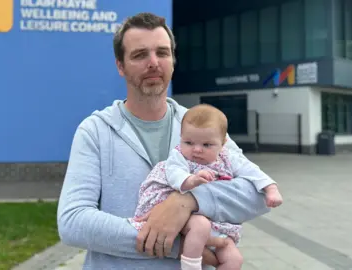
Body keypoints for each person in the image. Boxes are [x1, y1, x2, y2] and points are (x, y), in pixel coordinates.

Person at [57, 12, 272, 269]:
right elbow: (73, 222)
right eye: (139, 55)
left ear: (173, 60)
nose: (153, 63)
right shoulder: (95, 131)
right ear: (120, 66)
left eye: (162, 52)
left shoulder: (201, 125)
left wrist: (188, 200)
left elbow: (258, 193)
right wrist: (183, 246)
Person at [128, 104, 283, 269]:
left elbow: (252, 172)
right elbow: (174, 173)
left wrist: (270, 189)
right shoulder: (179, 155)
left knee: (234, 259)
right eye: (188, 142)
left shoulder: (228, 158)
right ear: (181, 138)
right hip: (182, 213)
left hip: (215, 220)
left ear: (223, 143)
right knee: (200, 226)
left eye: (207, 145)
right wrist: (191, 180)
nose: (196, 149)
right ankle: (190, 266)